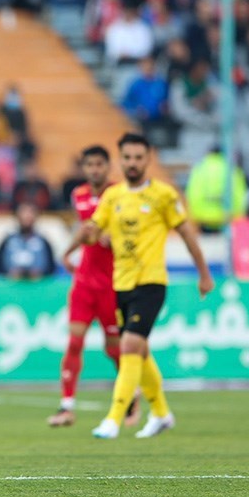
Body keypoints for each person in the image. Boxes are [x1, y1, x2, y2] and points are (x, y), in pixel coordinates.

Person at [86, 133, 214, 439]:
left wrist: (204, 273)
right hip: (122, 283)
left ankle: (114, 418)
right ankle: (161, 413)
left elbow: (186, 235)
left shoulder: (163, 195)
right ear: (121, 159)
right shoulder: (113, 196)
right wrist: (91, 237)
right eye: (127, 158)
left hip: (152, 282)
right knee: (139, 351)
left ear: (149, 159)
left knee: (128, 345)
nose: (132, 163)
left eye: (138, 158)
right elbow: (94, 228)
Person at [47, 145, 139, 428]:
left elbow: (126, 231)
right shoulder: (80, 195)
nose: (95, 170)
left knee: (114, 348)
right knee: (75, 342)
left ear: (108, 167)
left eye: (100, 164)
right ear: (84, 168)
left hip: (113, 283)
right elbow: (86, 230)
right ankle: (66, 407)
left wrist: (113, 237)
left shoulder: (120, 194)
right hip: (85, 282)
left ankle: (130, 399)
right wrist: (68, 251)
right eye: (90, 165)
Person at [0, 202, 55, 279]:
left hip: (37, 286)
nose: (27, 217)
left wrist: (41, 273)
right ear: (17, 216)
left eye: (30, 213)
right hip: (12, 285)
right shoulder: (7, 241)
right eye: (23, 213)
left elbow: (51, 267)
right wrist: (8, 273)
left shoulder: (43, 242)